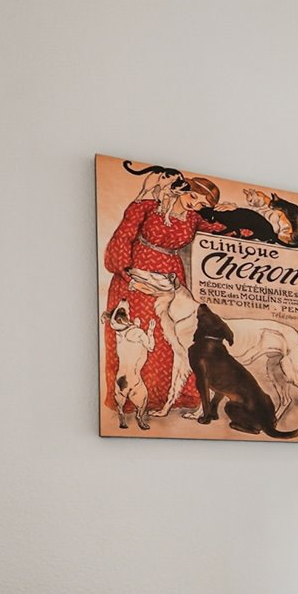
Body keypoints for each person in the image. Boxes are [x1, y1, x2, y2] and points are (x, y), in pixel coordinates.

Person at [101, 166, 227, 417]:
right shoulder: (147, 207)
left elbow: (221, 229)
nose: (195, 205)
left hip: (171, 278)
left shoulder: (193, 219)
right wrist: (126, 271)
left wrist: (233, 217)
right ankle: (133, 399)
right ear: (183, 189)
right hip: (138, 274)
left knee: (173, 335)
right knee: (139, 334)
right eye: (194, 197)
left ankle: (172, 397)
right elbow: (124, 235)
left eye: (202, 204)